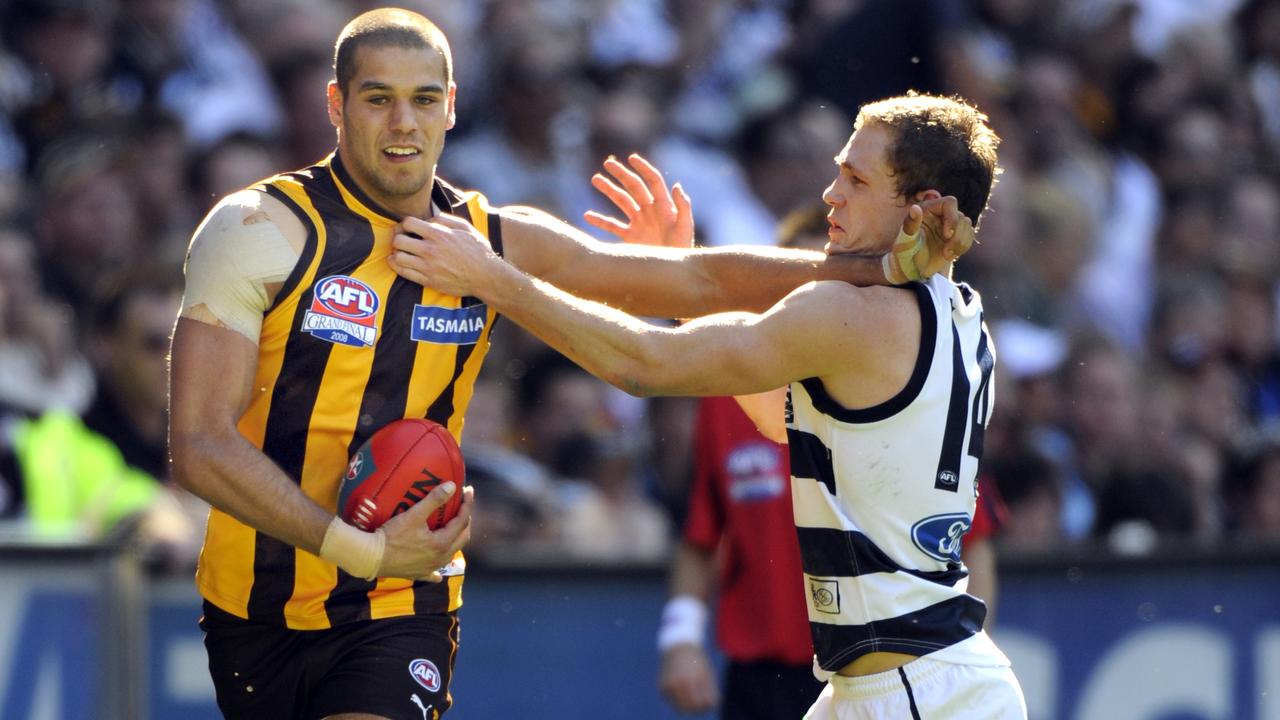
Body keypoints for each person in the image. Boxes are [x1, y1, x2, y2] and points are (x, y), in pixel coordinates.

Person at [168, 9, 975, 720]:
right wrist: (881, 268)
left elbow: (686, 291)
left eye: (423, 99)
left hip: (401, 591)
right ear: (336, 106)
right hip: (257, 603)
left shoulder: (490, 239)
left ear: (453, 106)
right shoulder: (258, 231)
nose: (402, 123)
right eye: (377, 98)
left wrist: (874, 270)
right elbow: (200, 446)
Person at [390, 92, 1027, 719]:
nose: (831, 193)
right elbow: (776, 414)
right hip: (905, 683)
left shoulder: (856, 313)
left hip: (915, 691)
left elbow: (644, 366)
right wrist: (680, 281)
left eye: (856, 180)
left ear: (922, 209)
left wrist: (491, 279)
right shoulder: (960, 314)